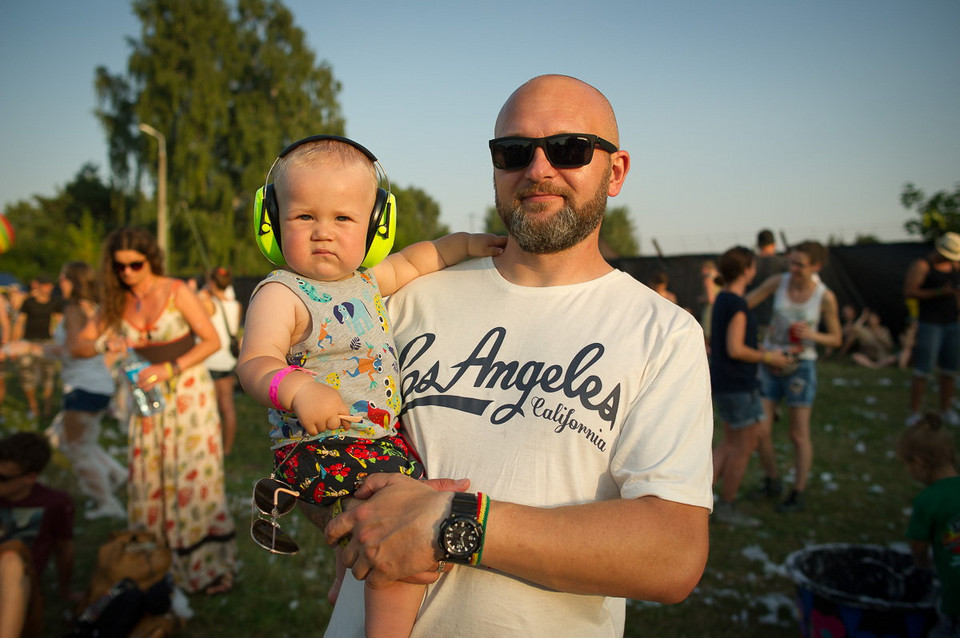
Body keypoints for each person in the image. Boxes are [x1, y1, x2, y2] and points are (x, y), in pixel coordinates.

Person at [324, 74, 713, 637]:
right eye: (513, 152)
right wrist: (346, 511)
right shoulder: (408, 300)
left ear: (617, 170)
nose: (537, 169)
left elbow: (673, 555)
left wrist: (452, 522)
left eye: (568, 149)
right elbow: (307, 431)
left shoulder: (662, 334)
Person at [236, 134, 505, 637]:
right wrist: (296, 389)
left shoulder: (364, 282)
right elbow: (254, 362)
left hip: (370, 443)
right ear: (270, 222)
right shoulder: (281, 293)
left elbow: (415, 260)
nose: (323, 233)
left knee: (391, 513)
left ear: (375, 226)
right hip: (324, 445)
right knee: (400, 535)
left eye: (342, 218)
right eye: (304, 217)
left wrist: (466, 245)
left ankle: (345, 583)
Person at [97, 227, 236, 595]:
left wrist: (170, 368)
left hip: (187, 394)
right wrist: (112, 344)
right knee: (150, 474)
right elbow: (87, 342)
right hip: (145, 397)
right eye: (119, 266)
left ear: (150, 260)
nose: (127, 272)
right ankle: (152, 564)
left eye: (135, 264)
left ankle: (204, 567)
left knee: (190, 474)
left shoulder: (176, 290)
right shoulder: (118, 299)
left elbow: (213, 341)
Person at [9, 263, 127, 520]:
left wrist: (29, 348)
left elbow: (72, 350)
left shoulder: (74, 309)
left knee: (76, 450)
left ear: (74, 281)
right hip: (96, 385)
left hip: (84, 387)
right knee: (82, 442)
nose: (59, 282)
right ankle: (117, 475)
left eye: (63, 278)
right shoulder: (92, 307)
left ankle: (107, 502)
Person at [746, 240, 842, 513]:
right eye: (791, 262)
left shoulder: (824, 296)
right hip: (771, 362)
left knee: (798, 435)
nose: (793, 268)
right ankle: (773, 479)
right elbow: (745, 304)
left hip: (801, 367)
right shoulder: (779, 282)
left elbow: (836, 338)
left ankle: (797, 492)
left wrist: (812, 335)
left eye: (800, 264)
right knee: (760, 429)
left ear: (816, 267)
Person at [710, 246, 792, 527]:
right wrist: (769, 357)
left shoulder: (723, 299)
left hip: (724, 383)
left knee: (729, 443)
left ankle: (698, 498)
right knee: (744, 447)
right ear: (747, 270)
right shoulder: (737, 305)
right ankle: (727, 505)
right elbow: (736, 348)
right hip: (739, 385)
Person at [0, 431, 77, 638]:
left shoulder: (54, 503)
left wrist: (65, 590)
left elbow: (64, 549)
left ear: (30, 477)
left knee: (12, 559)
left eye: (3, 478)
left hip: (16, 584)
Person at [896, 413, 960, 637]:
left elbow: (918, 548)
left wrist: (922, 565)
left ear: (919, 463)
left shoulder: (928, 500)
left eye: (907, 465)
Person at [903, 232, 960, 427]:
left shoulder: (954, 266)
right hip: (930, 322)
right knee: (923, 370)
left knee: (949, 370)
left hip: (952, 322)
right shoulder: (922, 265)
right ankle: (915, 412)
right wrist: (938, 292)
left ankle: (946, 409)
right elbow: (909, 291)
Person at [198, 266, 242, 456]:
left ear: (212, 281)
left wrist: (203, 290)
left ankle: (209, 447)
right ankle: (227, 449)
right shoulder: (237, 305)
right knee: (228, 406)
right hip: (228, 362)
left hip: (209, 361)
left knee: (208, 410)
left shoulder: (208, 303)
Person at [12, 275, 64, 420]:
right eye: (45, 285)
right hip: (29, 342)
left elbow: (58, 322)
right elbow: (20, 323)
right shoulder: (28, 302)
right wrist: (14, 344)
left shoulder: (56, 302)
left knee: (48, 376)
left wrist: (59, 341)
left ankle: (47, 409)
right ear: (39, 286)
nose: (48, 288)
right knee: (27, 376)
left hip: (48, 342)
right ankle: (33, 407)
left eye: (50, 285)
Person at [748, 228, 788, 340]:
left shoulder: (750, 263)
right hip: (775, 316)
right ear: (774, 244)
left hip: (751, 314)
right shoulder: (782, 263)